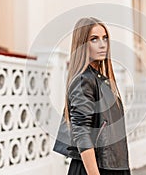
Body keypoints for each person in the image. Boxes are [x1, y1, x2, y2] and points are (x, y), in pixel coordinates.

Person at [53, 17, 130, 175]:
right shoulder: (84, 81)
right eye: (94, 39)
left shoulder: (101, 80)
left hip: (111, 166)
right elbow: (82, 133)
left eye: (105, 38)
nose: (102, 44)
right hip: (95, 169)